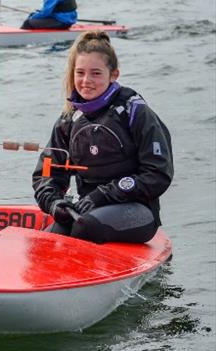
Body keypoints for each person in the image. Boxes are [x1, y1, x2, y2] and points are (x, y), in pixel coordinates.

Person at [32, 31, 173, 244]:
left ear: (113, 74)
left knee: (85, 227)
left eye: (96, 73)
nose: (86, 81)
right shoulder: (68, 119)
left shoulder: (134, 111)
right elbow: (46, 173)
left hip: (139, 212)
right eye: (80, 73)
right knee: (52, 238)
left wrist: (103, 195)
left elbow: (159, 173)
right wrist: (54, 203)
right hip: (87, 209)